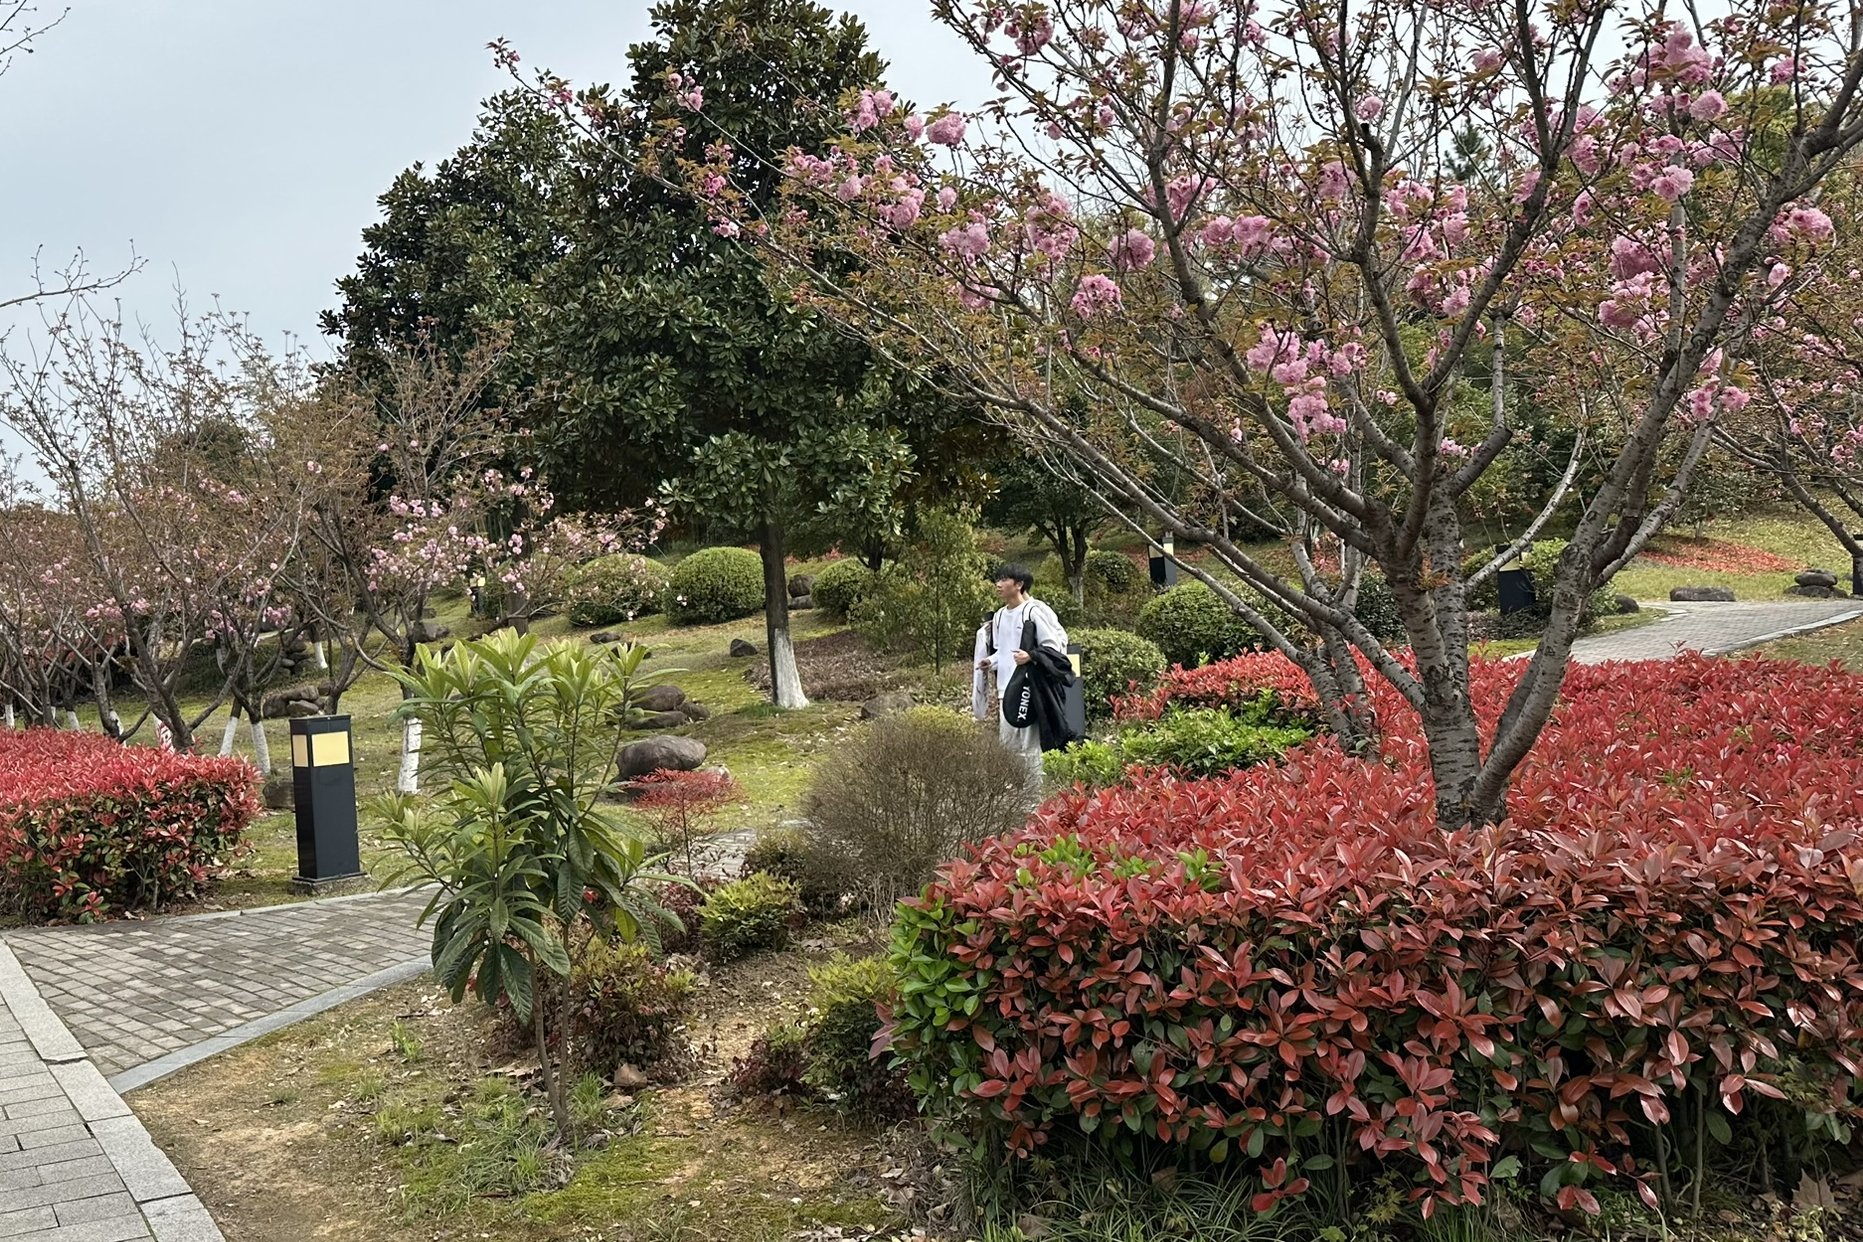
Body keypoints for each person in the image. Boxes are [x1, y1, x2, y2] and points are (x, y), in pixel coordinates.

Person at [973, 564, 1070, 785]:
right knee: (1008, 745)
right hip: (1005, 690)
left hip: (1029, 688)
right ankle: (1013, 794)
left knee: (1030, 745)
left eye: (1004, 580)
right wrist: (990, 661)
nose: (998, 584)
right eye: (997, 580)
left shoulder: (1033, 612)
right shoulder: (998, 616)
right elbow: (1003, 652)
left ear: (1019, 585)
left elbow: (1054, 647)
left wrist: (1031, 656)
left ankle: (1033, 798)